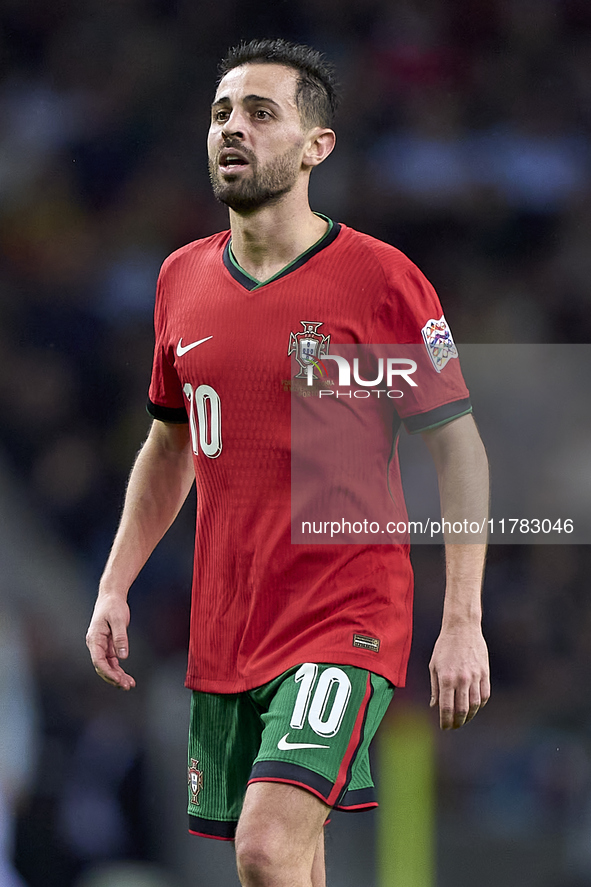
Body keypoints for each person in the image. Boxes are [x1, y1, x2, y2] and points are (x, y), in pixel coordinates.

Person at [86, 38, 490, 887]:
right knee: (291, 863)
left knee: (265, 849)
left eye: (260, 113)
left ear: (317, 146)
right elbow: (171, 443)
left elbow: (457, 447)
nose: (232, 128)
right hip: (230, 620)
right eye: (221, 113)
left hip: (345, 613)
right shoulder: (180, 279)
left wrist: (461, 619)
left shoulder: (380, 280)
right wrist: (114, 583)